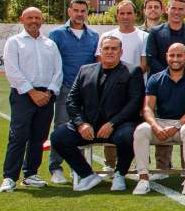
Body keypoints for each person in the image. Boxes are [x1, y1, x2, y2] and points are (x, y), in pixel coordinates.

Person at [50, 36, 144, 192]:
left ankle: (120, 174)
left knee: (128, 136)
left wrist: (112, 123)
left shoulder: (132, 71)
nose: (109, 52)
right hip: (89, 127)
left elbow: (134, 103)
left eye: (114, 49)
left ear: (121, 52)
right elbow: (72, 100)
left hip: (118, 126)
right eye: (106, 48)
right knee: (58, 137)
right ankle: (87, 175)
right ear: (100, 51)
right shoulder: (85, 70)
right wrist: (81, 124)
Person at [0, 8, 63, 193]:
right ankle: (10, 177)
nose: (34, 21)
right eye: (30, 18)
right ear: (22, 20)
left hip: (46, 96)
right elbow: (12, 70)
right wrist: (32, 92)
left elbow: (58, 70)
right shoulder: (14, 42)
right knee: (18, 136)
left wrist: (49, 92)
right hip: (23, 95)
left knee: (39, 137)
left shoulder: (50, 44)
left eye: (37, 18)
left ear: (42, 20)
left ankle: (30, 174)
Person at [132, 42, 185, 195]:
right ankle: (143, 178)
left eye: (179, 55)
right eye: (172, 55)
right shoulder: (155, 78)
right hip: (161, 123)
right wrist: (155, 126)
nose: (175, 59)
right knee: (141, 130)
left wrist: (176, 126)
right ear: (166, 57)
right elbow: (147, 108)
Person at [46, 0, 99, 185]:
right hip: (65, 88)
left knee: (82, 128)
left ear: (87, 13)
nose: (79, 14)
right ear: (69, 11)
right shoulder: (56, 34)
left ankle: (77, 168)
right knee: (61, 127)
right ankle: (55, 168)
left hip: (86, 92)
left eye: (83, 11)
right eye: (76, 10)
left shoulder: (94, 36)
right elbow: (52, 62)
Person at [95, 0, 147, 171]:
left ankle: (135, 163)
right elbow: (100, 62)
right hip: (109, 91)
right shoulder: (107, 35)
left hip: (135, 90)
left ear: (135, 15)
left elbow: (144, 64)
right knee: (108, 123)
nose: (125, 16)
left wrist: (128, 79)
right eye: (122, 13)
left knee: (132, 128)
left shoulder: (143, 36)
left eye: (129, 13)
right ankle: (109, 163)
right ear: (117, 15)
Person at [145, 0, 185, 75]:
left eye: (180, 9)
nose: (176, 12)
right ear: (167, 10)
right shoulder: (155, 32)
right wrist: (169, 76)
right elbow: (151, 58)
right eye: (173, 8)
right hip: (160, 80)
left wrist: (183, 76)